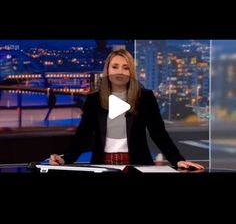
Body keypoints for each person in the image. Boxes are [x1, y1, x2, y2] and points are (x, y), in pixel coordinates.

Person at [49, 49, 204, 170]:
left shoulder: (145, 97)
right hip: (101, 164)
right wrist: (65, 158)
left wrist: (178, 160)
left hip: (138, 164)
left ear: (131, 72)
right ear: (107, 69)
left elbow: (158, 133)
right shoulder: (94, 99)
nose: (120, 72)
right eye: (115, 66)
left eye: (125, 67)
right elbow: (83, 135)